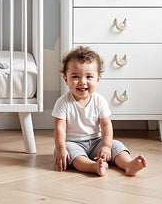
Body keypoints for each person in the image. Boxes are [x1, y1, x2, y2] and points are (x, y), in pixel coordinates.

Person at [52, 46, 147, 176]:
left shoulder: (99, 101)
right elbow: (60, 128)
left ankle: (128, 164)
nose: (82, 82)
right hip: (73, 143)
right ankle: (93, 166)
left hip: (96, 141)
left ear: (97, 79)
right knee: (69, 152)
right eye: (75, 76)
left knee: (116, 145)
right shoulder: (63, 102)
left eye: (89, 77)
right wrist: (61, 148)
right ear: (65, 79)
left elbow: (106, 125)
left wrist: (106, 146)